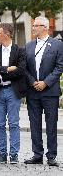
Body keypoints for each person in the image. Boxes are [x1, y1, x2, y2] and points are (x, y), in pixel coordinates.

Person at [24, 16, 63, 167]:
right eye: (33, 25)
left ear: (45, 27)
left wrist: (45, 83)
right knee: (34, 124)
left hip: (50, 92)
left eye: (36, 26)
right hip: (33, 91)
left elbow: (60, 67)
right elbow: (24, 68)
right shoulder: (28, 46)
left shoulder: (57, 45)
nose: (33, 28)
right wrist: (33, 82)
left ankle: (52, 155)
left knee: (51, 125)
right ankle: (37, 154)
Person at [0, 23, 27, 164]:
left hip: (12, 91)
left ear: (7, 34)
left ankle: (14, 154)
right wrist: (7, 69)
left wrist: (0, 73)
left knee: (14, 124)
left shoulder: (19, 50)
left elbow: (21, 70)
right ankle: (2, 154)